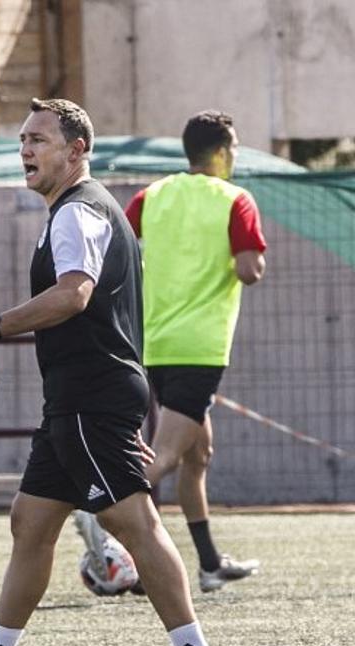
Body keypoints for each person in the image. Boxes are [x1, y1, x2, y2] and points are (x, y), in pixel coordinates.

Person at [0, 98, 222, 646]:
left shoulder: (77, 212)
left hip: (90, 394)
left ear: (76, 150)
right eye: (23, 140)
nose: (26, 150)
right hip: (80, 396)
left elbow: (73, 295)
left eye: (39, 140)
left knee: (131, 520)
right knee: (31, 520)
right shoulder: (82, 208)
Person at [122, 110, 266, 592]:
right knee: (163, 456)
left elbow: (119, 248)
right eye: (236, 149)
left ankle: (208, 564)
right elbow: (249, 269)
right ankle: (102, 537)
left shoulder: (153, 195)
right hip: (200, 346)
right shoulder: (235, 200)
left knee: (198, 453)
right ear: (223, 152)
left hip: (156, 342)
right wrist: (249, 262)